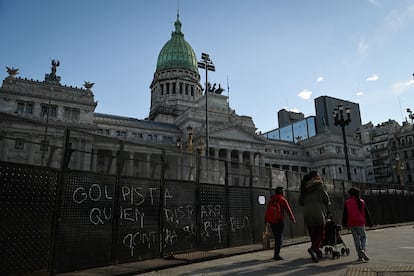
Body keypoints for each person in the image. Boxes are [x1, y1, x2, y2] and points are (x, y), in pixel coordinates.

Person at [299, 171, 330, 263]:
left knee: (313, 235)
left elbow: (301, 202)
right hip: (318, 213)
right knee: (320, 234)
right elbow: (326, 199)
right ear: (314, 177)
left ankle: (317, 252)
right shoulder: (319, 186)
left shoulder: (304, 188)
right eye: (318, 175)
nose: (320, 177)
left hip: (307, 213)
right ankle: (313, 249)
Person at [265, 186, 296, 260]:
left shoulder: (272, 199)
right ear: (281, 192)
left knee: (276, 237)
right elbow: (288, 211)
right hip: (279, 221)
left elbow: (267, 209)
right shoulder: (283, 200)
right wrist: (293, 219)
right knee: (279, 238)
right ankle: (276, 255)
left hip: (272, 221)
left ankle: (276, 253)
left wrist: (265, 220)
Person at [342, 187, 373, 262]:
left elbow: (345, 214)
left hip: (351, 223)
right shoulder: (361, 202)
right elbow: (366, 213)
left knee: (356, 239)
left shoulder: (347, 202)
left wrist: (344, 224)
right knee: (363, 237)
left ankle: (359, 255)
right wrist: (370, 223)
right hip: (360, 222)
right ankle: (363, 250)